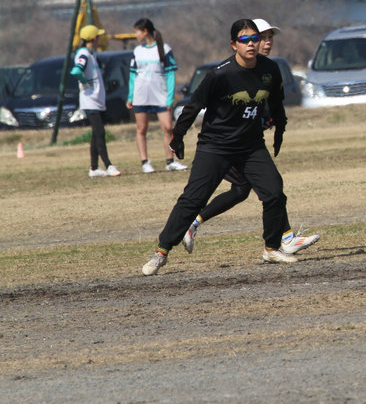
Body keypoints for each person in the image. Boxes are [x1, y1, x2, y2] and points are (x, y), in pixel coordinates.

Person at [142, 19, 302, 275]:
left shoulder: (270, 69)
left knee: (274, 191)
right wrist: (177, 136)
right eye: (245, 40)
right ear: (233, 44)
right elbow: (193, 106)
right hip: (215, 146)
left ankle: (272, 248)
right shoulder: (220, 74)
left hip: (250, 145)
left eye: (255, 39)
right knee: (193, 199)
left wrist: (280, 129)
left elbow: (276, 104)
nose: (251, 44)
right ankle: (161, 252)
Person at [182, 18, 319, 256]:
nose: (266, 42)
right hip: (225, 146)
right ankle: (285, 238)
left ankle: (193, 223)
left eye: (268, 38)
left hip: (246, 144)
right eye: (260, 38)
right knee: (267, 188)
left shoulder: (266, 70)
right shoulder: (234, 71)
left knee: (244, 189)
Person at [126, 18, 187, 174]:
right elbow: (133, 75)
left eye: (137, 32)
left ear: (145, 31)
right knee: (141, 129)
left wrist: (170, 98)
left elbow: (170, 75)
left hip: (160, 95)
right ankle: (145, 162)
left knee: (167, 128)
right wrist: (130, 97)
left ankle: (170, 161)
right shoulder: (137, 51)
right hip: (141, 95)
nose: (135, 35)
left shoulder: (164, 49)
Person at [72, 25, 121, 178]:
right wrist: (84, 82)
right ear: (94, 38)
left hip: (97, 100)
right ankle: (108, 165)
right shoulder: (84, 54)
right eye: (98, 36)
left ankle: (94, 168)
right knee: (100, 132)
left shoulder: (92, 54)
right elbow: (76, 70)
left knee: (96, 134)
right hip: (89, 100)